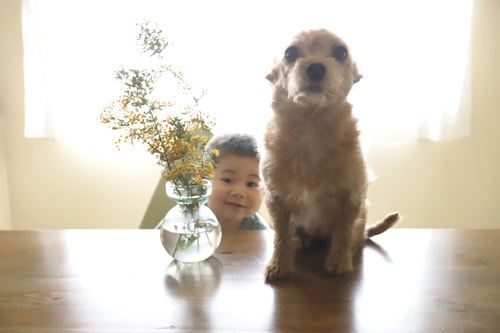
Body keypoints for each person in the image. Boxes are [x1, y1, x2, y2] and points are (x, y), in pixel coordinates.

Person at [206, 133, 268, 231]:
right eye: (227, 180)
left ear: (265, 190)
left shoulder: (260, 232)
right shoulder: (189, 218)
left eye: (251, 184)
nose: (239, 192)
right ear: (205, 180)